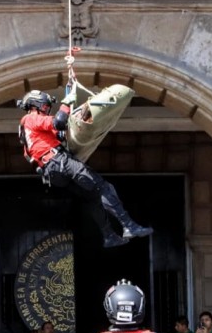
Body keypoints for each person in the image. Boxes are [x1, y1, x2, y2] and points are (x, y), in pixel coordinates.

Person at [17, 85, 153, 248]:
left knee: (92, 197)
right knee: (103, 187)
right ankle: (129, 226)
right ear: (35, 105)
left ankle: (109, 236)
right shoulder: (32, 118)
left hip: (51, 172)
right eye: (45, 107)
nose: (47, 110)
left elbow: (58, 135)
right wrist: (66, 104)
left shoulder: (25, 128)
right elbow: (59, 122)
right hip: (60, 162)